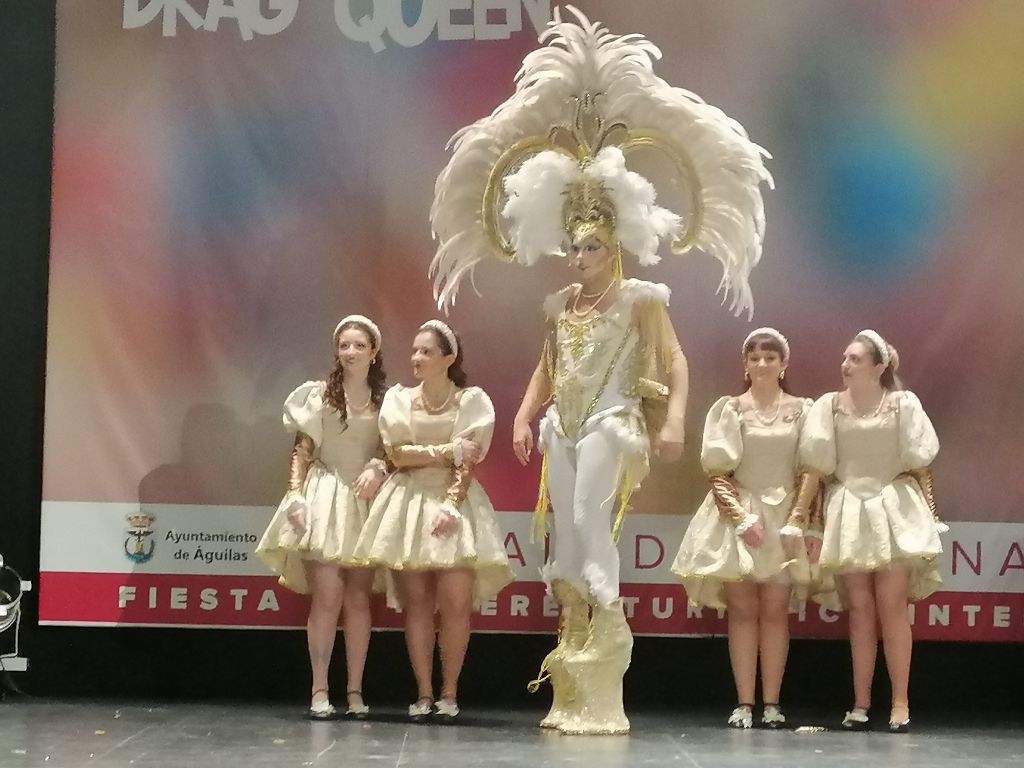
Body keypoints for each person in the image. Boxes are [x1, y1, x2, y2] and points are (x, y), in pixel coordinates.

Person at [428, 7, 772, 735]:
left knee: (588, 519)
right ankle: (578, 633)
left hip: (615, 423)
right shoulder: (560, 307)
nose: (576, 257)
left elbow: (675, 363)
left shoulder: (642, 300)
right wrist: (523, 414)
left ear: (611, 246)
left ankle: (602, 619)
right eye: (571, 247)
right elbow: (548, 369)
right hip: (564, 424)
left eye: (587, 248)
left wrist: (674, 418)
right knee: (564, 536)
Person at [353, 320, 513, 723]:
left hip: (453, 504)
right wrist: (448, 450)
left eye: (426, 351)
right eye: (414, 351)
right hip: (408, 502)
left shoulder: (471, 401)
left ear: (448, 358)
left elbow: (470, 457)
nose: (417, 358)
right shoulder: (400, 399)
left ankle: (449, 691)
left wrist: (452, 502)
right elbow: (399, 454)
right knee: (418, 605)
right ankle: (423, 692)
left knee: (456, 604)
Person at [672, 328, 818, 729]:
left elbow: (812, 469)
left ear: (784, 364)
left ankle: (772, 703)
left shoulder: (804, 411)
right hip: (740, 515)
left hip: (785, 516)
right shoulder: (730, 409)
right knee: (742, 609)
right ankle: (744, 703)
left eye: (770, 357)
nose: (762, 364)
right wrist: (741, 518)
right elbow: (717, 471)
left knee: (775, 610)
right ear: (745, 364)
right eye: (754, 357)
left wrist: (800, 522)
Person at [801, 330, 945, 733]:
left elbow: (919, 461)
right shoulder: (830, 406)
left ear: (878, 367)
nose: (845, 366)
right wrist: (804, 520)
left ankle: (900, 700)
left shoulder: (902, 404)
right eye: (844, 358)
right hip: (849, 507)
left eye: (855, 360)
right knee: (860, 609)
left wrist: (932, 512)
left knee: (892, 605)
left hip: (891, 508)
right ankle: (861, 702)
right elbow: (818, 464)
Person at [255, 315, 388, 720]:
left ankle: (355, 690)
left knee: (359, 601)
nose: (350, 352)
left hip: (365, 499)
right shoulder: (319, 396)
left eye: (358, 345)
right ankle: (319, 688)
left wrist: (379, 466)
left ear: (373, 352)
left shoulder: (387, 400)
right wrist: (295, 494)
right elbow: (302, 449)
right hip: (326, 496)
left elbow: (394, 447)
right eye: (344, 345)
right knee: (327, 597)